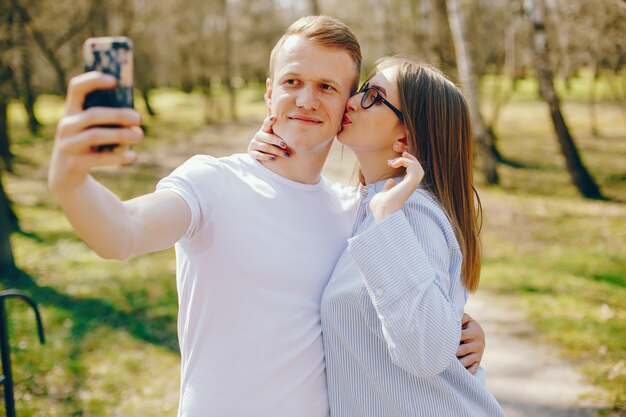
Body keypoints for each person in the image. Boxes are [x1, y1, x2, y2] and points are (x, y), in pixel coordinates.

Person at [48, 16, 485, 417]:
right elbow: (122, 233)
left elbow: (410, 307)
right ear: (269, 92)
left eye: (328, 88)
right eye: (292, 81)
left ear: (346, 108)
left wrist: (461, 330)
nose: (306, 100)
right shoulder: (213, 182)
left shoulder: (357, 213)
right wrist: (71, 182)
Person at [249, 57, 505, 415]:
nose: (352, 101)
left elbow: (427, 350)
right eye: (361, 89)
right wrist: (271, 150)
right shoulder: (368, 208)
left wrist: (387, 219)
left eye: (373, 96)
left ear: (406, 136)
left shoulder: (409, 212)